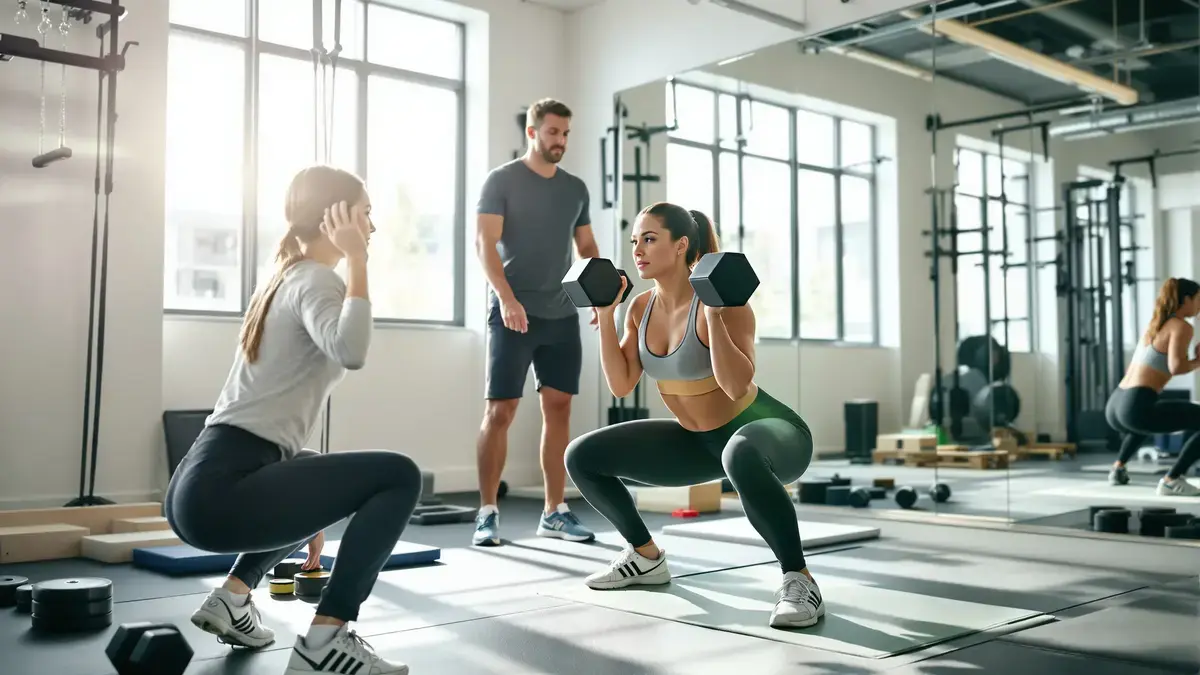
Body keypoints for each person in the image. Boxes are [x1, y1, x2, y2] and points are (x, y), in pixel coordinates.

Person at [164, 166, 421, 675]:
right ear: (337, 216)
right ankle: (328, 637)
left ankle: (233, 598)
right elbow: (351, 349)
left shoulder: (286, 275)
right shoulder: (315, 278)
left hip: (199, 485)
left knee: (311, 462)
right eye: (366, 213)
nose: (373, 226)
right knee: (399, 475)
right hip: (222, 489)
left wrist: (310, 512)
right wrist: (358, 259)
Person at [564, 202, 823, 629]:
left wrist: (715, 314)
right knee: (582, 456)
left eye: (650, 239)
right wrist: (606, 315)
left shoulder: (726, 301)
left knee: (738, 454)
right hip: (699, 443)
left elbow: (737, 386)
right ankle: (646, 558)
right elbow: (621, 383)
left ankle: (800, 580)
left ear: (681, 244)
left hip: (769, 433)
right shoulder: (640, 307)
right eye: (635, 241)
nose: (638, 250)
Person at [472, 98, 600, 547]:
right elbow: (484, 245)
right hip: (514, 312)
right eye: (552, 133)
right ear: (532, 133)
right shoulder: (501, 181)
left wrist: (601, 299)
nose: (560, 141)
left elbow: (587, 249)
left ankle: (555, 510)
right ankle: (487, 511)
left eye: (565, 133)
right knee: (500, 411)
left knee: (559, 408)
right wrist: (505, 299)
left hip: (561, 313)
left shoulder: (575, 189)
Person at [1105, 277, 1200, 496]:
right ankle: (1171, 479)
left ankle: (1118, 467)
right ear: (1186, 299)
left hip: (1117, 404)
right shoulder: (1183, 326)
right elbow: (1176, 367)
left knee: (1146, 420)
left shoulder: (1155, 325)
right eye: (1198, 299)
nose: (1199, 306)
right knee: (1148, 416)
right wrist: (1197, 361)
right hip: (1135, 406)